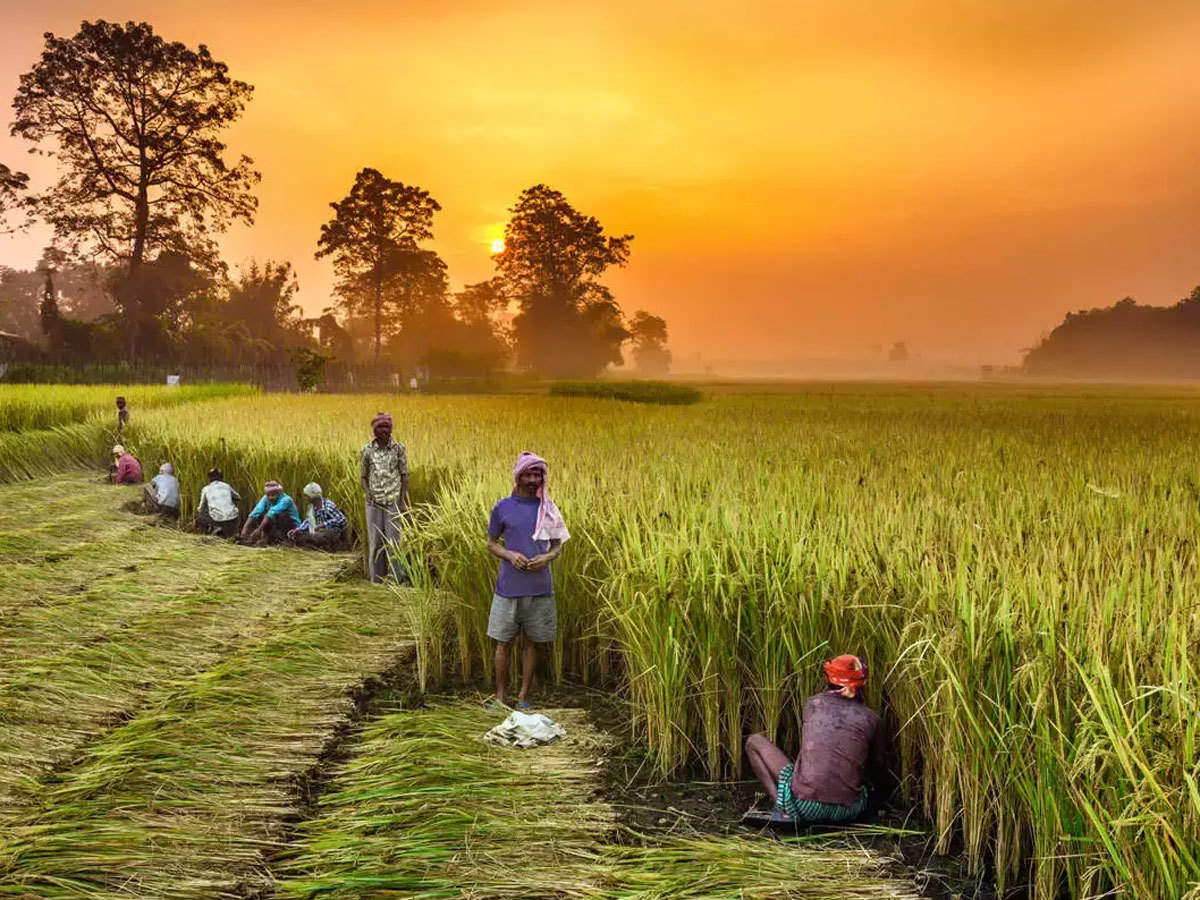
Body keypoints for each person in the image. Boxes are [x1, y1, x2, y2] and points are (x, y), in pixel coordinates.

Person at [744, 655, 884, 824]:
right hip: (848, 810)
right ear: (862, 683)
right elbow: (876, 766)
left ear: (829, 678)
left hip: (805, 806)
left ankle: (781, 806)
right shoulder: (872, 719)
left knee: (754, 741)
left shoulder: (813, 704)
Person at [486, 451, 569, 709]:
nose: (534, 479)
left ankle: (523, 697)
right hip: (508, 588)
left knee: (532, 643)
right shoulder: (503, 507)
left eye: (538, 474)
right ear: (518, 476)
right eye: (529, 474)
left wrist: (547, 558)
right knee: (503, 642)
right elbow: (491, 543)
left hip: (540, 587)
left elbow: (557, 546)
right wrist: (509, 554)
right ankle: (500, 697)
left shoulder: (548, 509)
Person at [360, 412, 409, 582]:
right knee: (375, 543)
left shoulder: (399, 449)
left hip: (393, 501)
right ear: (374, 429)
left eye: (387, 427)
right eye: (380, 427)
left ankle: (397, 580)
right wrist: (368, 494)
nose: (384, 430)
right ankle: (377, 581)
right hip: (373, 503)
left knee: (394, 542)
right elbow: (363, 476)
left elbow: (404, 476)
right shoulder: (366, 450)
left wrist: (402, 501)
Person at [289, 482, 348, 549]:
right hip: (318, 532)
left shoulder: (328, 506)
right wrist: (297, 530)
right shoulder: (311, 507)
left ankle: (330, 546)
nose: (305, 498)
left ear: (313, 496)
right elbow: (308, 521)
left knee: (317, 536)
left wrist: (324, 524)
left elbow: (343, 520)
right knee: (300, 537)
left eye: (306, 496)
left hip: (330, 532)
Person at [241, 481, 301, 545]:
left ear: (279, 493)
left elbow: (271, 513)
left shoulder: (286, 500)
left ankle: (284, 539)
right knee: (261, 514)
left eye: (273, 495)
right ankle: (267, 537)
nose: (270, 497)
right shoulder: (265, 498)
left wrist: (259, 530)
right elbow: (256, 511)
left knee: (281, 515)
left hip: (291, 527)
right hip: (275, 524)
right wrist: (245, 528)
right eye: (268, 495)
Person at [197, 467, 241, 538]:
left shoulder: (205, 489)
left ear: (209, 478)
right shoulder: (226, 486)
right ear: (221, 477)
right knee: (235, 508)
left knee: (200, 516)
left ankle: (214, 528)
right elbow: (238, 497)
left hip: (217, 518)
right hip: (233, 517)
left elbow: (201, 508)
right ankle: (235, 531)